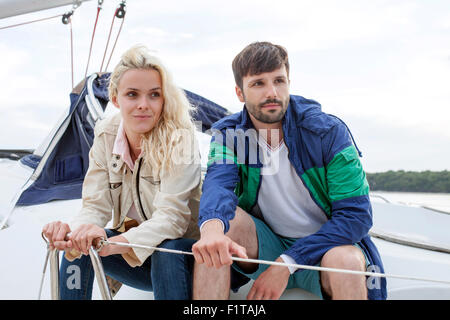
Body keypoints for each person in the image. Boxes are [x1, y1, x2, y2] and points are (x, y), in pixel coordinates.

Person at [192, 41, 387, 300]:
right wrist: (211, 231)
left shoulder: (327, 132)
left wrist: (287, 262)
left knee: (347, 261)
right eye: (258, 83)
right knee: (220, 228)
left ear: (288, 82)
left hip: (325, 248)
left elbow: (356, 216)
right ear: (240, 93)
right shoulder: (229, 134)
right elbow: (218, 185)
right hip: (267, 242)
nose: (272, 92)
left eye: (279, 81)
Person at [42, 44, 201, 300]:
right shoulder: (106, 134)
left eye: (154, 95)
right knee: (77, 244)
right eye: (132, 94)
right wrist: (70, 232)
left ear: (164, 98)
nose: (143, 105)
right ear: (116, 99)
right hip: (137, 256)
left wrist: (114, 242)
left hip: (185, 261)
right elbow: (95, 206)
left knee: (167, 250)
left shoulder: (180, 138)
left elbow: (173, 219)